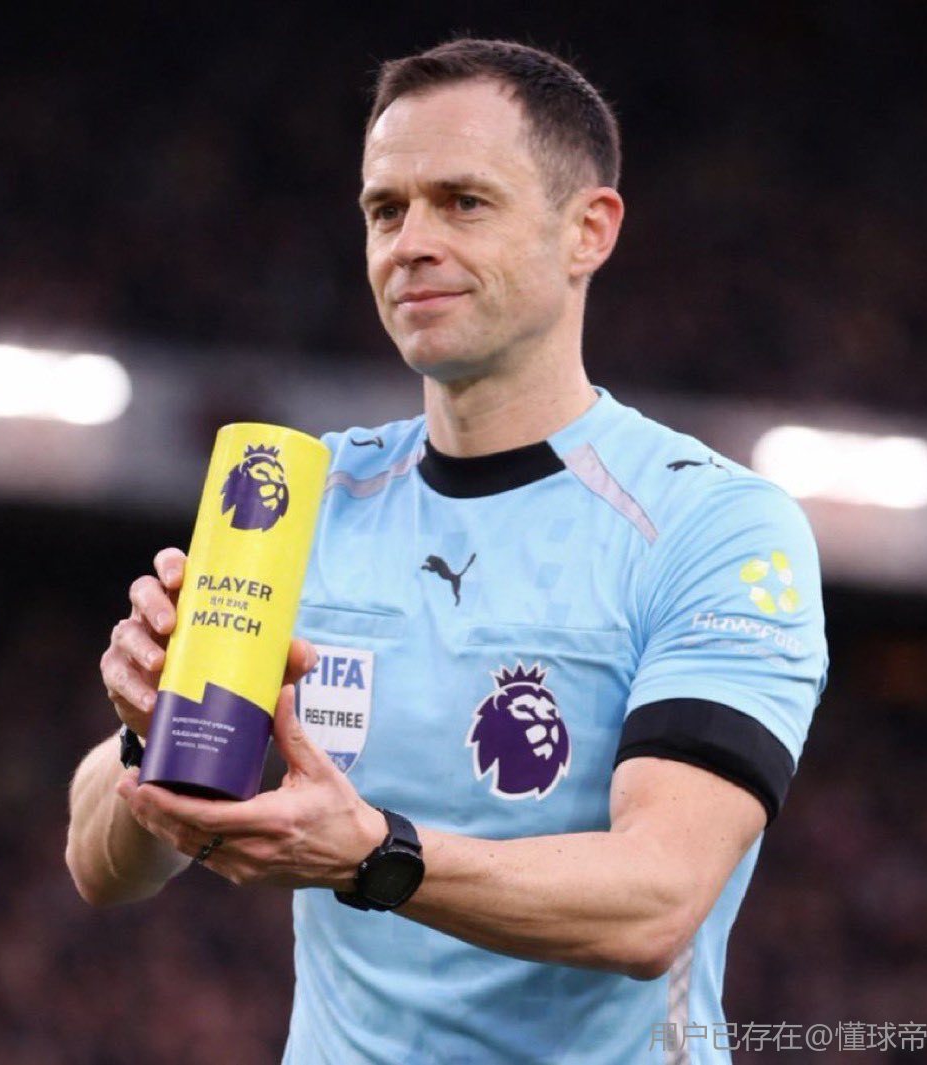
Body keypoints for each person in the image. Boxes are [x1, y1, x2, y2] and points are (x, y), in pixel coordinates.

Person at [66, 38, 828, 1064]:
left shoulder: (715, 526)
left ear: (588, 230)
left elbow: (653, 901)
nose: (410, 243)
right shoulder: (301, 499)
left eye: (463, 202)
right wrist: (149, 733)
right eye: (385, 210)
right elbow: (102, 869)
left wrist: (376, 855)